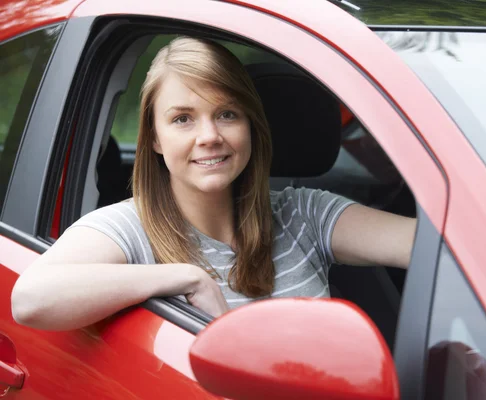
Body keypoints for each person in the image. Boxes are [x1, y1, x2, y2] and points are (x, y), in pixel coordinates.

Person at [11, 37, 416, 331]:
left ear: (250, 126)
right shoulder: (129, 228)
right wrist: (185, 277)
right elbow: (30, 299)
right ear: (154, 137)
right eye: (182, 119)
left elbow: (440, 247)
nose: (209, 136)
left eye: (226, 114)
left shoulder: (303, 214)